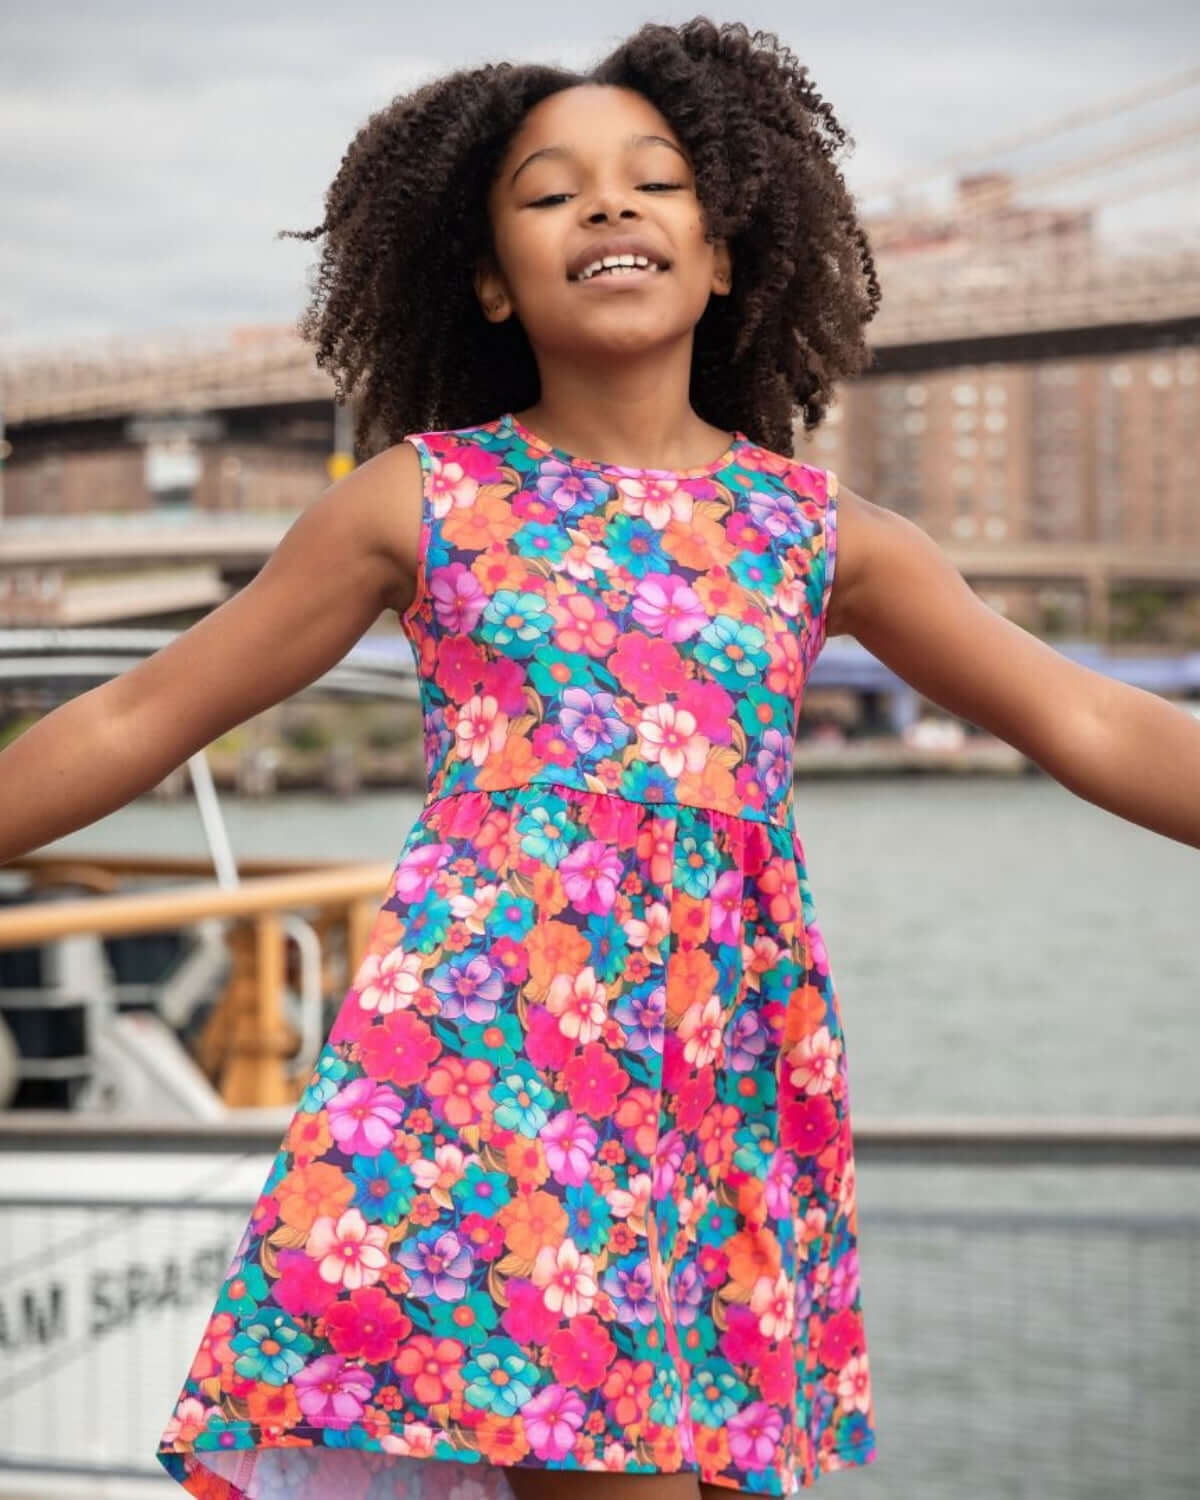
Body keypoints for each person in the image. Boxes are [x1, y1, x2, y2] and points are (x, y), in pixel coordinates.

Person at [2, 16, 1197, 1500]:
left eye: (658, 181)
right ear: (493, 281)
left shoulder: (823, 536)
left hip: (720, 1082)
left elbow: (1091, 719)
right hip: (493, 1077)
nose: (610, 204)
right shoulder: (417, 502)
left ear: (726, 256)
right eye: (552, 192)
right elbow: (140, 714)